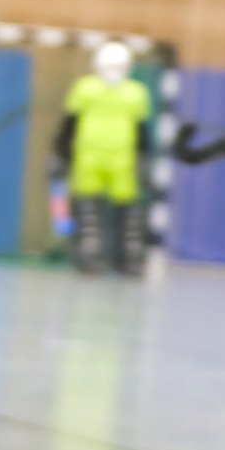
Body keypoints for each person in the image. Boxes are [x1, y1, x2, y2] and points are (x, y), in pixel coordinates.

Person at [56, 41, 155, 276]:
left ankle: (128, 257)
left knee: (128, 211)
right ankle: (90, 255)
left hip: (120, 158)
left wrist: (144, 159)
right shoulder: (86, 88)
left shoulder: (135, 92)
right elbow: (70, 123)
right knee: (89, 209)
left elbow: (141, 130)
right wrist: (61, 153)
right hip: (91, 157)